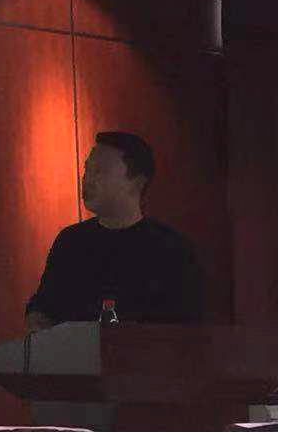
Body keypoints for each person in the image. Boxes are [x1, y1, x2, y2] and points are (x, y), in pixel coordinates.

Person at [25, 131, 203, 329]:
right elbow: (45, 305)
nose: (87, 180)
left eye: (100, 171)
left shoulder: (171, 249)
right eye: (87, 169)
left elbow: (185, 328)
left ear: (137, 182)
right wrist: (37, 316)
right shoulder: (70, 242)